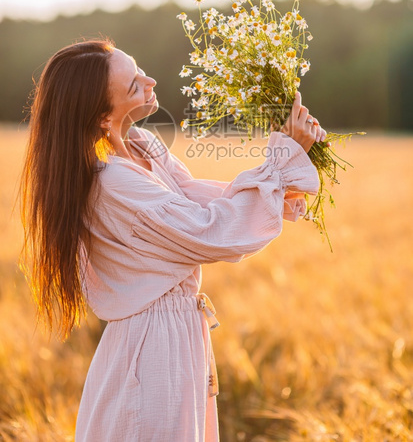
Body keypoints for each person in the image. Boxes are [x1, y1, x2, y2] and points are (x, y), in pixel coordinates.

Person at [20, 39, 327, 442]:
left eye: (139, 69)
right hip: (151, 352)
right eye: (133, 85)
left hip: (177, 339)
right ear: (101, 116)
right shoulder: (112, 183)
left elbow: (200, 198)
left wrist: (285, 156)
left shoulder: (141, 147)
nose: (150, 81)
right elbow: (208, 232)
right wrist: (282, 160)